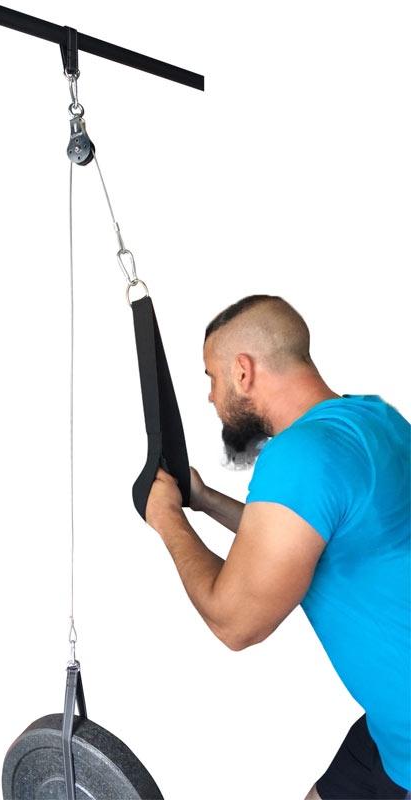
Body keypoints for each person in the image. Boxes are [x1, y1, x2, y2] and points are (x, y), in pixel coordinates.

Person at [143, 294, 410, 799]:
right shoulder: (374, 419)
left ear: (243, 371)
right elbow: (297, 540)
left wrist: (167, 519)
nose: (211, 397)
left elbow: (235, 623)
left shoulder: (299, 456)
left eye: (211, 377)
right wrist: (203, 499)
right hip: (390, 727)